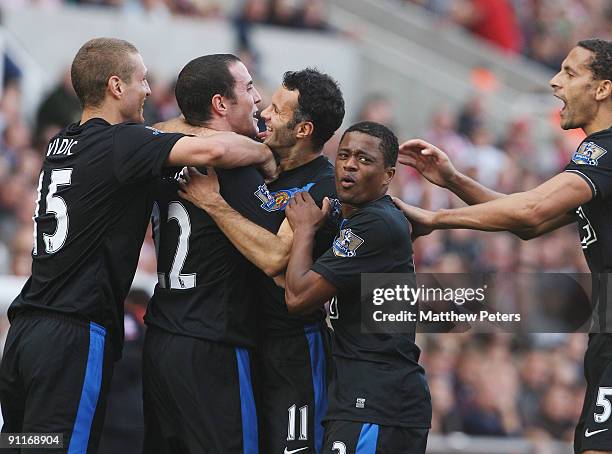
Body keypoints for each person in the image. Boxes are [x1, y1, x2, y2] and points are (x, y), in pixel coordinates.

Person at [0, 38, 274, 454]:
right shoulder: (124, 145)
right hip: (73, 335)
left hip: (25, 332)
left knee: (24, 444)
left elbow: (157, 135)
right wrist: (264, 155)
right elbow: (217, 148)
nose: (148, 91)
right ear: (116, 86)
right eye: (142, 81)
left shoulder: (63, 143)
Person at [393, 38, 611, 454]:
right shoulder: (598, 160)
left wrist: (436, 218)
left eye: (569, 72)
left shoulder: (604, 151)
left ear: (602, 88)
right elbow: (529, 222)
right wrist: (454, 180)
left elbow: (529, 211)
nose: (554, 82)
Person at [179, 68, 345, 454]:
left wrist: (213, 204)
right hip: (240, 341)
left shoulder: (322, 186)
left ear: (304, 130)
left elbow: (276, 260)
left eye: (277, 110)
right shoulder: (253, 162)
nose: (263, 114)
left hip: (293, 350)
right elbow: (186, 127)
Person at [142, 54, 277, 454]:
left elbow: (157, 131)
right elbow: (277, 258)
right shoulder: (235, 170)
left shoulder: (160, 156)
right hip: (214, 344)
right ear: (221, 104)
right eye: (249, 88)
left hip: (163, 337)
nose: (258, 98)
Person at [282, 121, 431, 452]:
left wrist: (305, 230)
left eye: (364, 160)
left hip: (376, 400)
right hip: (369, 397)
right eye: (344, 155)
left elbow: (297, 296)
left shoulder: (374, 223)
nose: (349, 164)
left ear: (388, 174)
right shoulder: (365, 218)